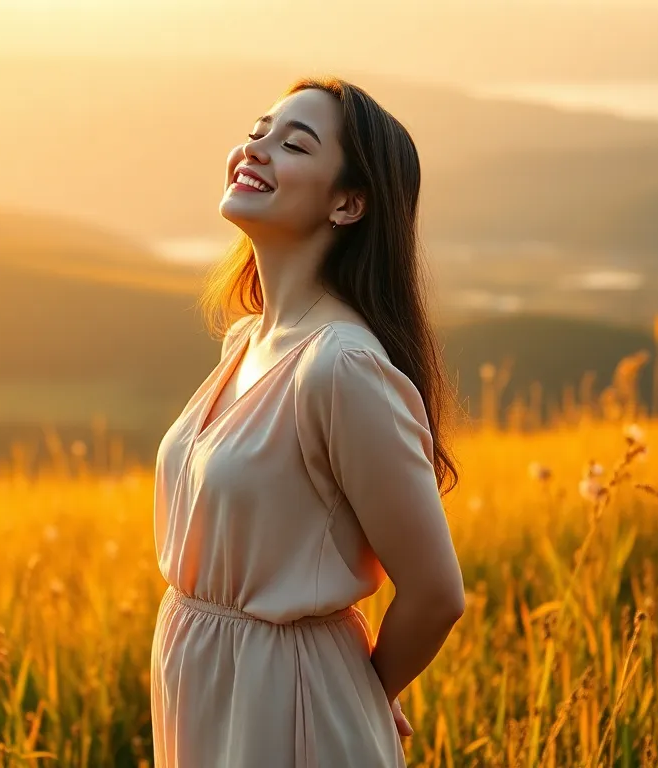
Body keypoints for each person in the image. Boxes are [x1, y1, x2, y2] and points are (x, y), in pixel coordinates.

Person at [150, 76, 467, 767]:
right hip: (205, 684)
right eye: (258, 131)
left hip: (289, 703)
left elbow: (437, 593)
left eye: (292, 144)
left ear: (349, 203)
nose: (254, 151)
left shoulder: (341, 368)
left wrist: (357, 692)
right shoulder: (247, 341)